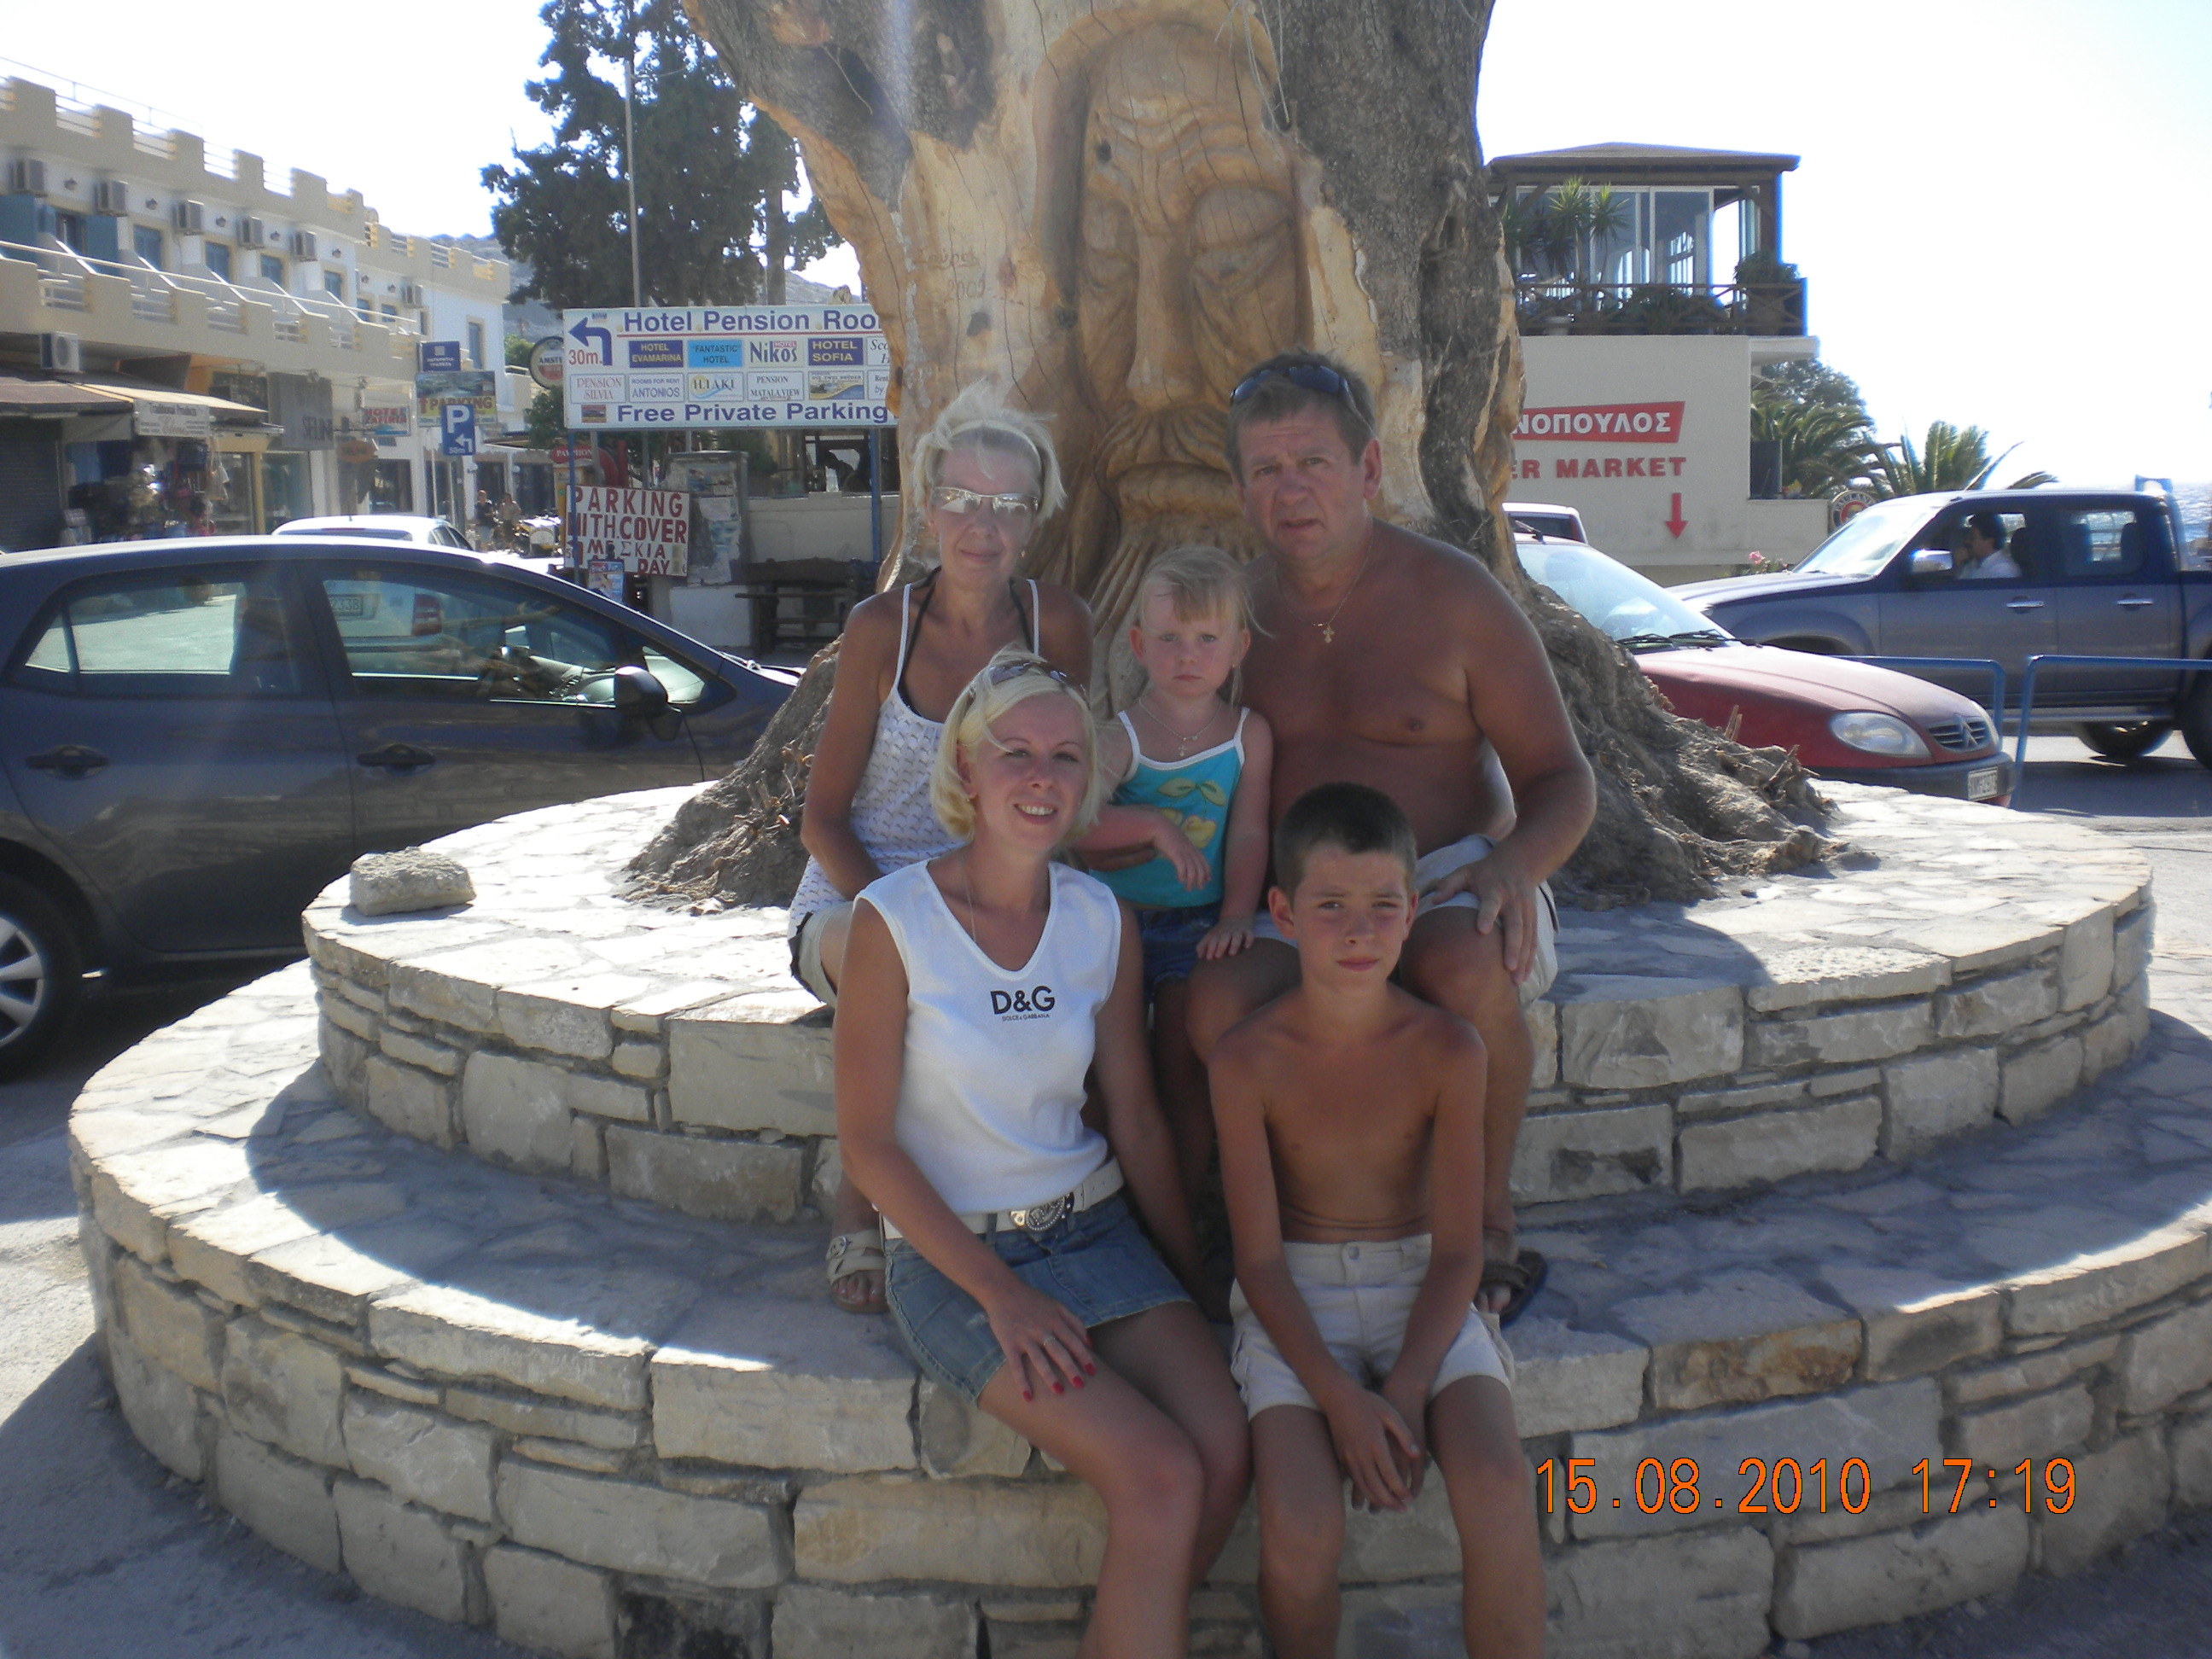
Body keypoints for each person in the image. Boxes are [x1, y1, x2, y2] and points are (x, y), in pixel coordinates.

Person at [835, 651, 1250, 1659]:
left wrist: (1190, 1278)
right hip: (958, 1261)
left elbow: (1136, 1120)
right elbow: (868, 1148)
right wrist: (1003, 1298)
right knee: (1161, 1474)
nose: (1040, 775)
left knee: (1227, 1451)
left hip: (1094, 1227)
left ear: (1088, 783)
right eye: (1013, 752)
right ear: (965, 769)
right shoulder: (892, 921)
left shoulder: (1101, 919)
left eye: (1066, 756)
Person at [1185, 350, 1597, 1324]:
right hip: (1304, 891)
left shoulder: (1456, 596)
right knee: (1213, 1001)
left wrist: (1512, 869)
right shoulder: (1232, 620)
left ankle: (1488, 1230)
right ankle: (1264, 1236)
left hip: (1451, 874)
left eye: (1313, 463)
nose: (1292, 491)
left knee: (1462, 964)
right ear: (1240, 490)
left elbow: (1564, 779)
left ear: (1368, 468)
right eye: (1267, 470)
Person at [1212, 783, 1542, 1659]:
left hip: (1422, 1284)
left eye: (1382, 906)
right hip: (1297, 1301)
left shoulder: (1450, 1048)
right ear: (1284, 914)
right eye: (1331, 907)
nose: (1359, 931)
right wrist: (1338, 1400)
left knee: (1497, 1482)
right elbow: (1259, 1264)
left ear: (1413, 913)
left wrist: (1403, 1390)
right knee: (1301, 1524)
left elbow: (1461, 1250)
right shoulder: (1245, 1060)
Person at [791, 381, 1096, 1314]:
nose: (982, 525)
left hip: (997, 896)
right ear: (927, 508)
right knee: (886, 966)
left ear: (1034, 519)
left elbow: (1063, 777)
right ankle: (860, 1198)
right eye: (961, 498)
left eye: (1007, 504)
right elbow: (821, 820)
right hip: (862, 898)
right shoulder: (881, 630)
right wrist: (914, 926)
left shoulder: (1058, 626)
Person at [1074, 545, 1274, 1207]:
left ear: (1238, 647)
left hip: (1201, 928)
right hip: (1118, 930)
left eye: (1207, 639)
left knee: (1183, 1072)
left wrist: (1237, 913)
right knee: (1108, 1073)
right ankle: (1110, 1209)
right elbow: (1074, 824)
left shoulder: (1248, 735)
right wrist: (1155, 826)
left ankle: (1181, 1210)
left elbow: (1249, 831)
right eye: (1169, 639)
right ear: (1138, 645)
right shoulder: (1122, 735)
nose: (1188, 655)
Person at [1954, 511, 2023, 580]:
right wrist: (1958, 565)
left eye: (1972, 538)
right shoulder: (1973, 563)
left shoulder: (2003, 570)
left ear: (1989, 542)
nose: (1967, 541)